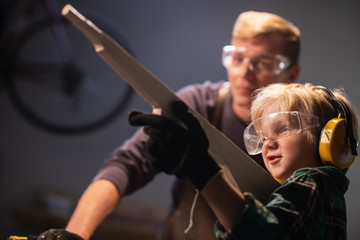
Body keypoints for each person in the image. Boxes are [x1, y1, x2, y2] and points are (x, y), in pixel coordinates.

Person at [36, 11, 301, 240]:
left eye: (264, 62)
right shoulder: (197, 107)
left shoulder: (301, 134)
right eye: (238, 58)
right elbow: (126, 165)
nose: (245, 72)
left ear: (292, 74)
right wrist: (75, 234)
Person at [129, 82, 358, 239]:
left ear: (328, 139)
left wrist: (202, 169)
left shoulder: (315, 183)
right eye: (263, 136)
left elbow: (261, 235)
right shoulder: (302, 192)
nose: (268, 143)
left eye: (283, 129)